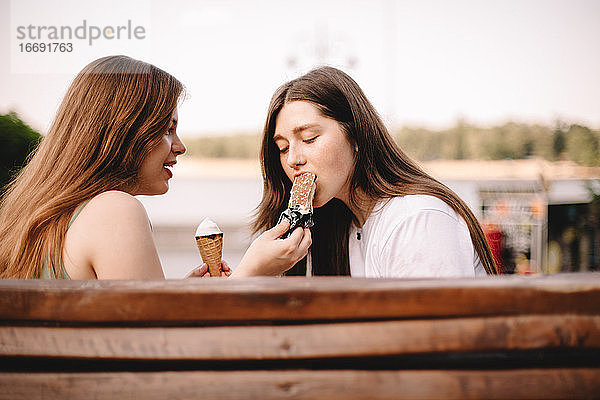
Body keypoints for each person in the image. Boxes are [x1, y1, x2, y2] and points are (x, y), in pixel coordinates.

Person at [0, 55, 310, 279]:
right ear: (122, 131)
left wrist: (176, 298)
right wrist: (251, 273)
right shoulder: (114, 210)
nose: (180, 146)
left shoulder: (38, 215)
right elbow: (162, 350)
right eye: (166, 128)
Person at [252, 66, 498, 277]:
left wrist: (250, 274)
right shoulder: (345, 225)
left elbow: (431, 332)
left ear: (356, 135)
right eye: (283, 148)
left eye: (309, 138)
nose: (293, 159)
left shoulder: (417, 221)